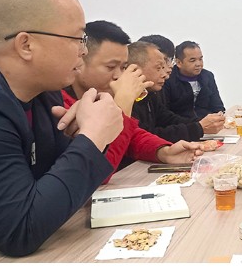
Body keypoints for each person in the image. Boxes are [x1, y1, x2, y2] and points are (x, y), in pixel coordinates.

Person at [0, 0, 123, 256]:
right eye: (78, 38)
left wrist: (82, 137)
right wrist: (93, 137)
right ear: (26, 45)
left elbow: (56, 193)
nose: (83, 50)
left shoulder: (44, 91)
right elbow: (19, 230)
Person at [62, 21, 203, 182]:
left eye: (123, 68)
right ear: (80, 60)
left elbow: (133, 135)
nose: (118, 76)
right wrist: (123, 104)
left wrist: (164, 152)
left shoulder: (101, 96)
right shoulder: (61, 103)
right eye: (110, 67)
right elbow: (99, 172)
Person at [129, 41, 224, 141]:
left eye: (200, 59)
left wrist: (202, 124)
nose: (165, 74)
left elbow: (168, 118)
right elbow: (147, 137)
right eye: (159, 68)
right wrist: (198, 127)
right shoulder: (128, 101)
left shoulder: (149, 94)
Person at [164, 40, 226, 120]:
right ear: (179, 62)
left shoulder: (208, 76)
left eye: (200, 59)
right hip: (181, 124)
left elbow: (218, 107)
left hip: (208, 123)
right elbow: (165, 113)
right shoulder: (168, 78)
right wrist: (196, 125)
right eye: (192, 60)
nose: (198, 64)